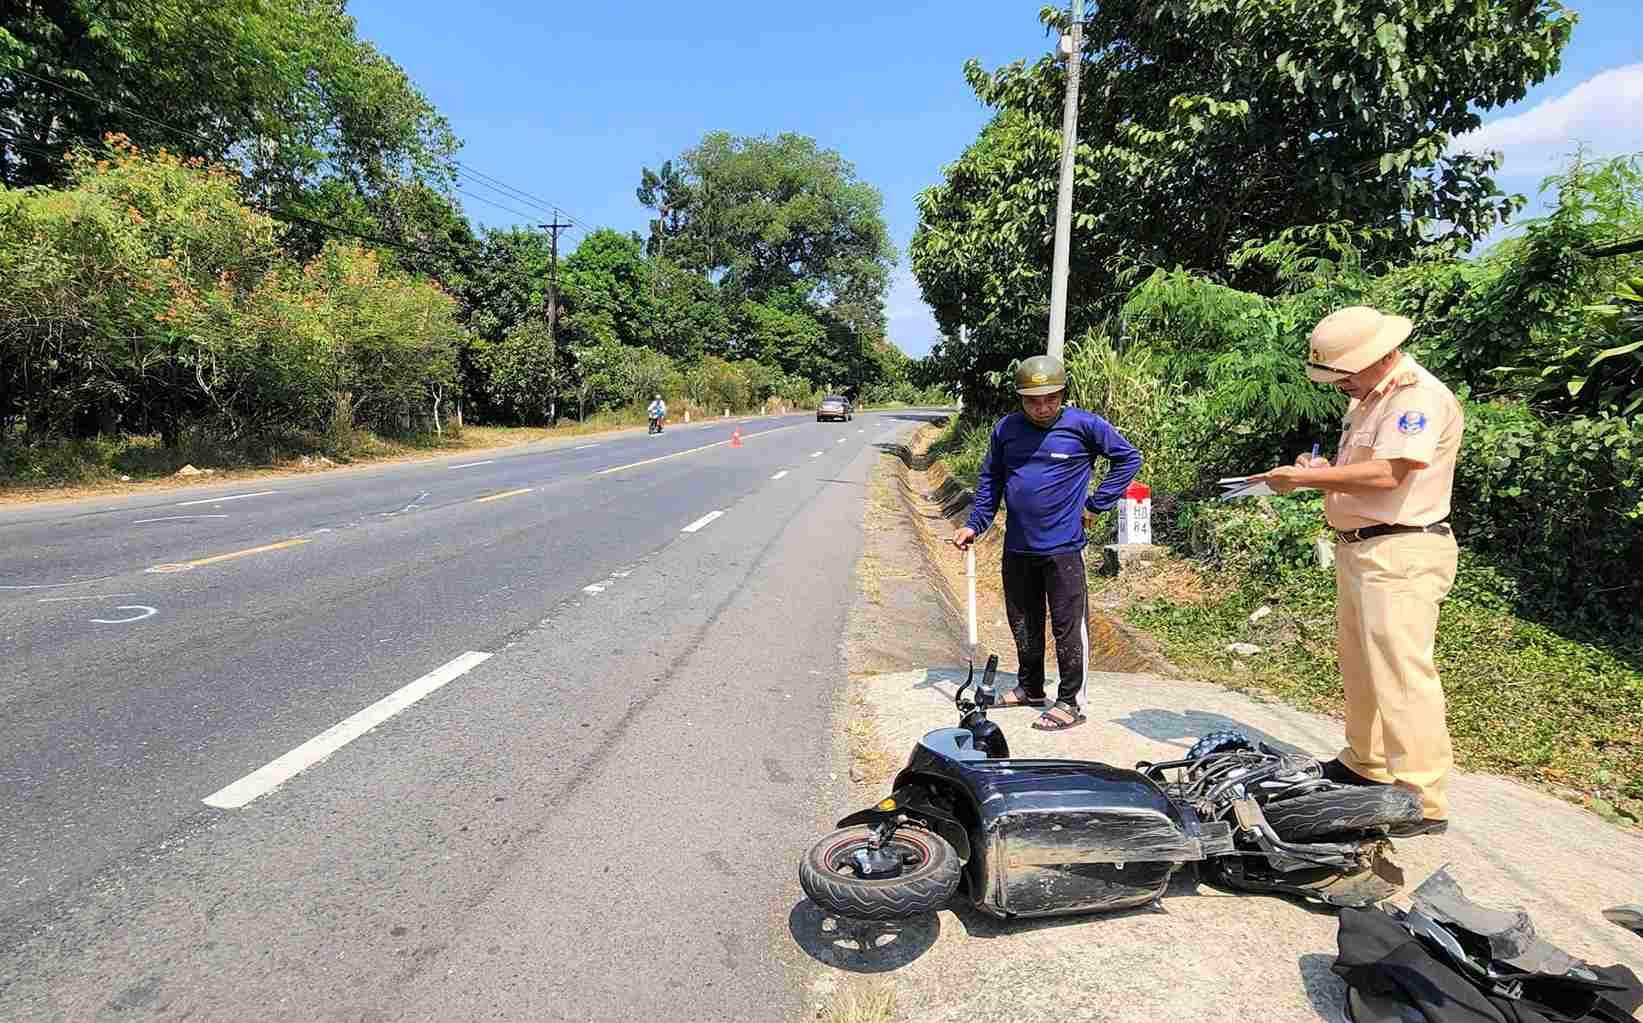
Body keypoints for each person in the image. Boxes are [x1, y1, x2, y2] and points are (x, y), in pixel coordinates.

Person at [1253, 306, 1464, 837]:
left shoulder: (1414, 396)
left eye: (1345, 372)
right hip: (1363, 548)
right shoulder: (1369, 399)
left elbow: (1392, 472)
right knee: (1362, 663)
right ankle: (1365, 763)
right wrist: (1323, 473)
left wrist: (1303, 483)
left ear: (1379, 356)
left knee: (1400, 670)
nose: (1340, 383)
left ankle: (1421, 795)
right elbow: (1362, 469)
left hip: (1402, 550)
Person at [951, 355, 1143, 732]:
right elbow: (991, 480)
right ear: (1020, 399)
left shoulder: (1083, 426)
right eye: (1032, 400)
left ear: (1061, 394)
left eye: (1050, 399)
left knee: (1068, 626)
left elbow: (1127, 458)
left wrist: (1096, 504)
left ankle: (1071, 701)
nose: (1042, 407)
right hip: (1018, 546)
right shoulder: (1007, 430)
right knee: (1024, 621)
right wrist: (975, 524)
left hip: (1063, 547)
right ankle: (1030, 688)